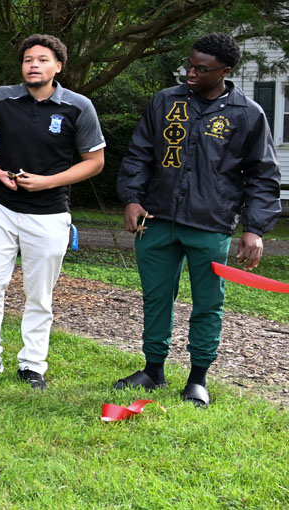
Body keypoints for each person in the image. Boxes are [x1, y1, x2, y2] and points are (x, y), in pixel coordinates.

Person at [115, 32, 280, 408]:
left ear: (224, 71)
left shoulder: (247, 115)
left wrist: (254, 228)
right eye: (189, 64)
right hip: (156, 221)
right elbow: (140, 153)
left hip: (211, 224)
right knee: (157, 298)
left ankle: (197, 378)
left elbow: (262, 175)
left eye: (201, 69)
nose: (191, 72)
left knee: (208, 303)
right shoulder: (165, 102)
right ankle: (153, 369)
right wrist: (132, 198)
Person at [0, 34, 105, 391]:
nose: (33, 65)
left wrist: (48, 182)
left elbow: (95, 161)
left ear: (58, 66)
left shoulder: (78, 106)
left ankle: (32, 364)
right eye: (27, 60)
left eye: (41, 59)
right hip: (1, 206)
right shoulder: (2, 97)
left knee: (39, 293)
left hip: (50, 212)